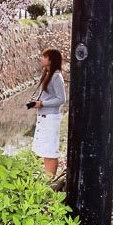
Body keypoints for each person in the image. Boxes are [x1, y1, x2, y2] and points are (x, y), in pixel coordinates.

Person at [31, 48, 66, 177]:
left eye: (44, 57)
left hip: (51, 117)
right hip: (44, 117)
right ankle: (48, 178)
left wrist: (43, 103)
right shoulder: (48, 73)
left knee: (50, 150)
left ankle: (50, 179)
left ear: (51, 60)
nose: (41, 59)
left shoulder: (56, 76)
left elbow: (62, 99)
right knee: (46, 149)